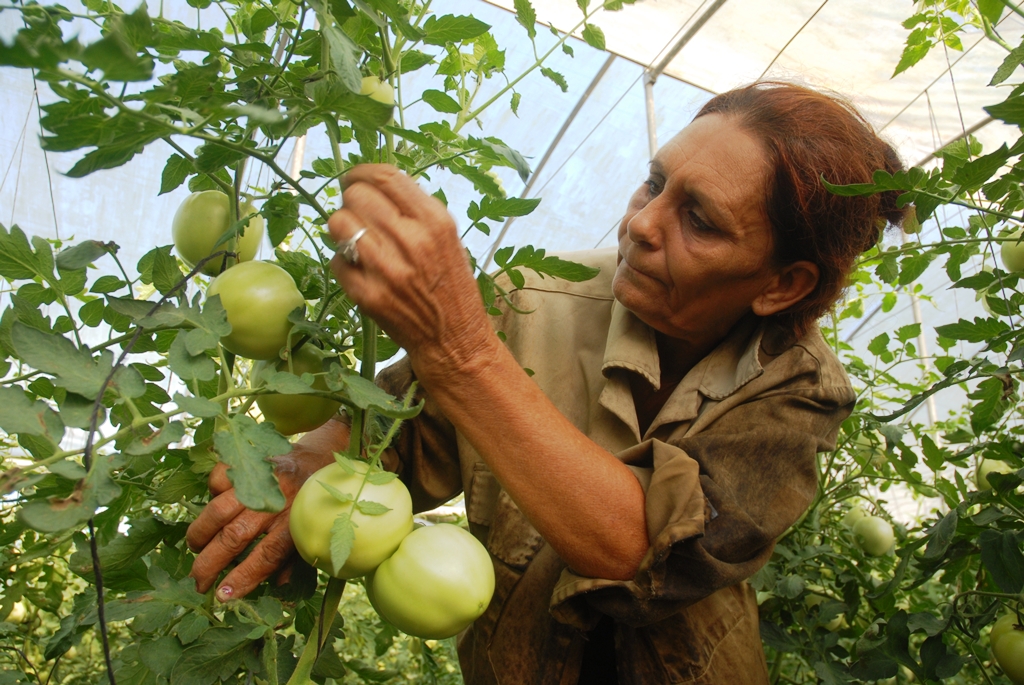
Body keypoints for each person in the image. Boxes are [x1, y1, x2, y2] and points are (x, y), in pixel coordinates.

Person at [186, 82, 905, 684]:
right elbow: (396, 433)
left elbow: (648, 550)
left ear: (783, 284)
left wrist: (465, 354)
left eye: (700, 219)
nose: (642, 223)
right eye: (655, 183)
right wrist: (302, 462)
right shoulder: (528, 299)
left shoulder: (798, 393)